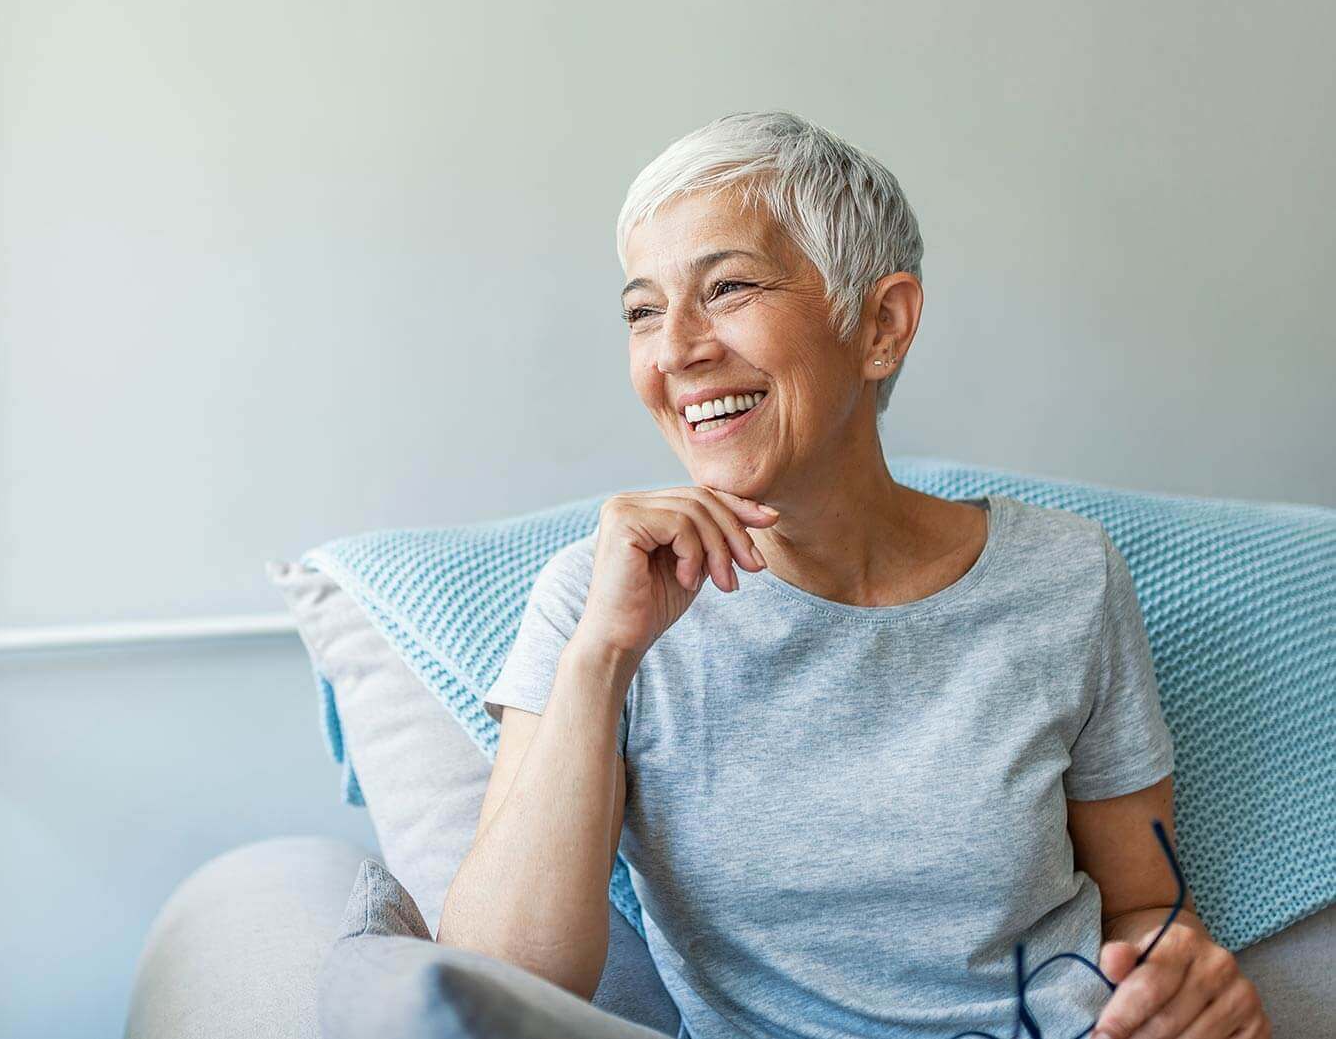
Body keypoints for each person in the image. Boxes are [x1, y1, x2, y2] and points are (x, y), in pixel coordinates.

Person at [436, 111, 1271, 1039]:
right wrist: (601, 656)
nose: (674, 348)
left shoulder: (1068, 576)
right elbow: (494, 988)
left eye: (729, 287)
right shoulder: (595, 601)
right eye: (641, 310)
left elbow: (1146, 903)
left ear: (882, 324)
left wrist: (1187, 993)